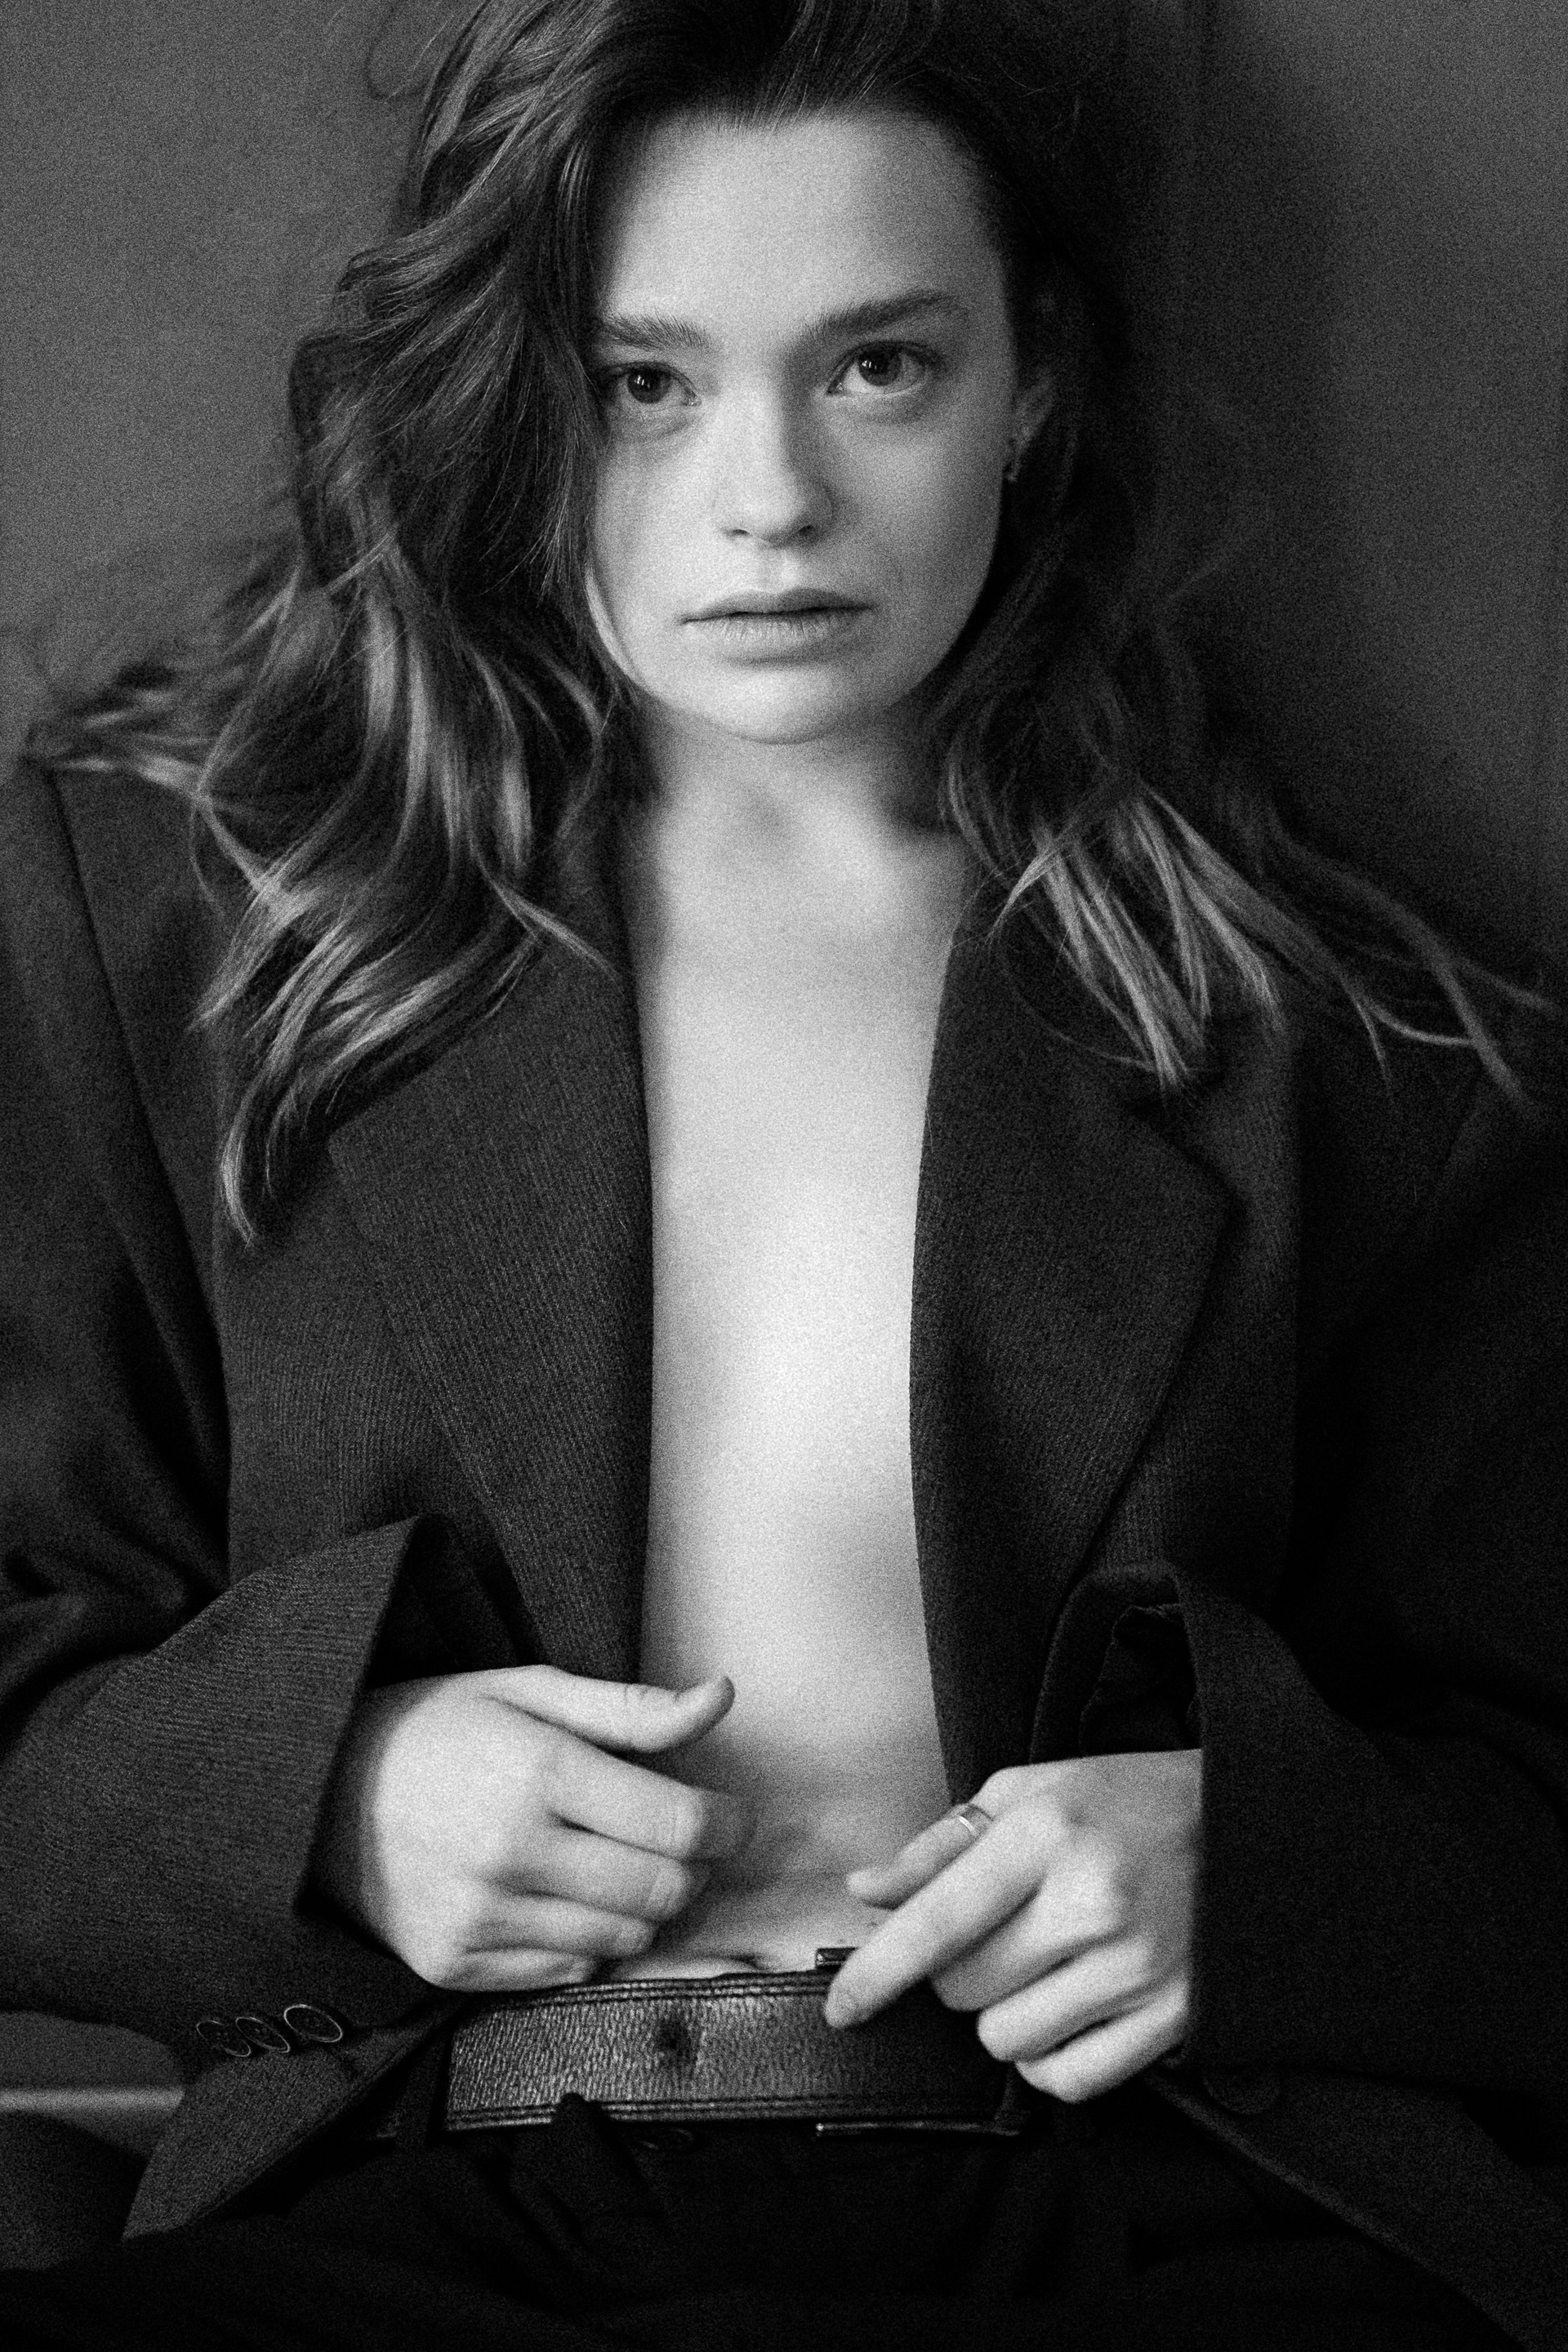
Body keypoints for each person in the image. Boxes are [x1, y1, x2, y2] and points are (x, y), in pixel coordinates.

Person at [2, 1, 1566, 2345]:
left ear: (1032, 383)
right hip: (436, 2203)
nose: (770, 500)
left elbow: (1537, 1799)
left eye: (879, 367)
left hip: (1158, 2218)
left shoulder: (1360, 1051)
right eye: (641, 382)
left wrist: (1259, 1875)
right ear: (509, 398)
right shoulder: (181, 949)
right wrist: (330, 1794)